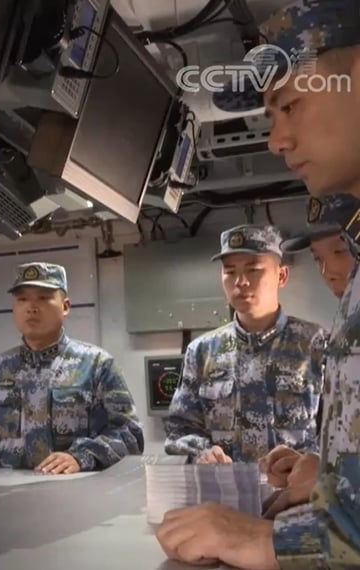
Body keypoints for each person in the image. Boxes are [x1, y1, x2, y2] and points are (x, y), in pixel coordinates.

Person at [155, 2, 360, 567]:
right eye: (231, 270)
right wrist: (328, 474)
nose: (275, 139)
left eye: (289, 105)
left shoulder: (315, 337)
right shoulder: (205, 351)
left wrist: (260, 541)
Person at [0, 262, 143, 474]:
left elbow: (130, 434)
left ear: (65, 306)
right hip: (8, 490)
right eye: (22, 299)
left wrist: (81, 456)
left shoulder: (96, 365)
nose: (31, 307)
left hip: (76, 490)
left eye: (43, 298)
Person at [162, 224, 325, 464]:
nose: (240, 282)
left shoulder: (316, 344)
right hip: (222, 484)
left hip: (292, 486)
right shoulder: (202, 351)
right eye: (230, 272)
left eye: (253, 270)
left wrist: (310, 463)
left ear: (281, 276)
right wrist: (202, 452)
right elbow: (178, 430)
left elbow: (341, 432)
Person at [258, 193, 358, 518]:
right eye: (317, 259)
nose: (328, 271)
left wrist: (326, 478)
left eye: (340, 252)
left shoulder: (319, 337)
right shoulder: (346, 324)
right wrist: (314, 466)